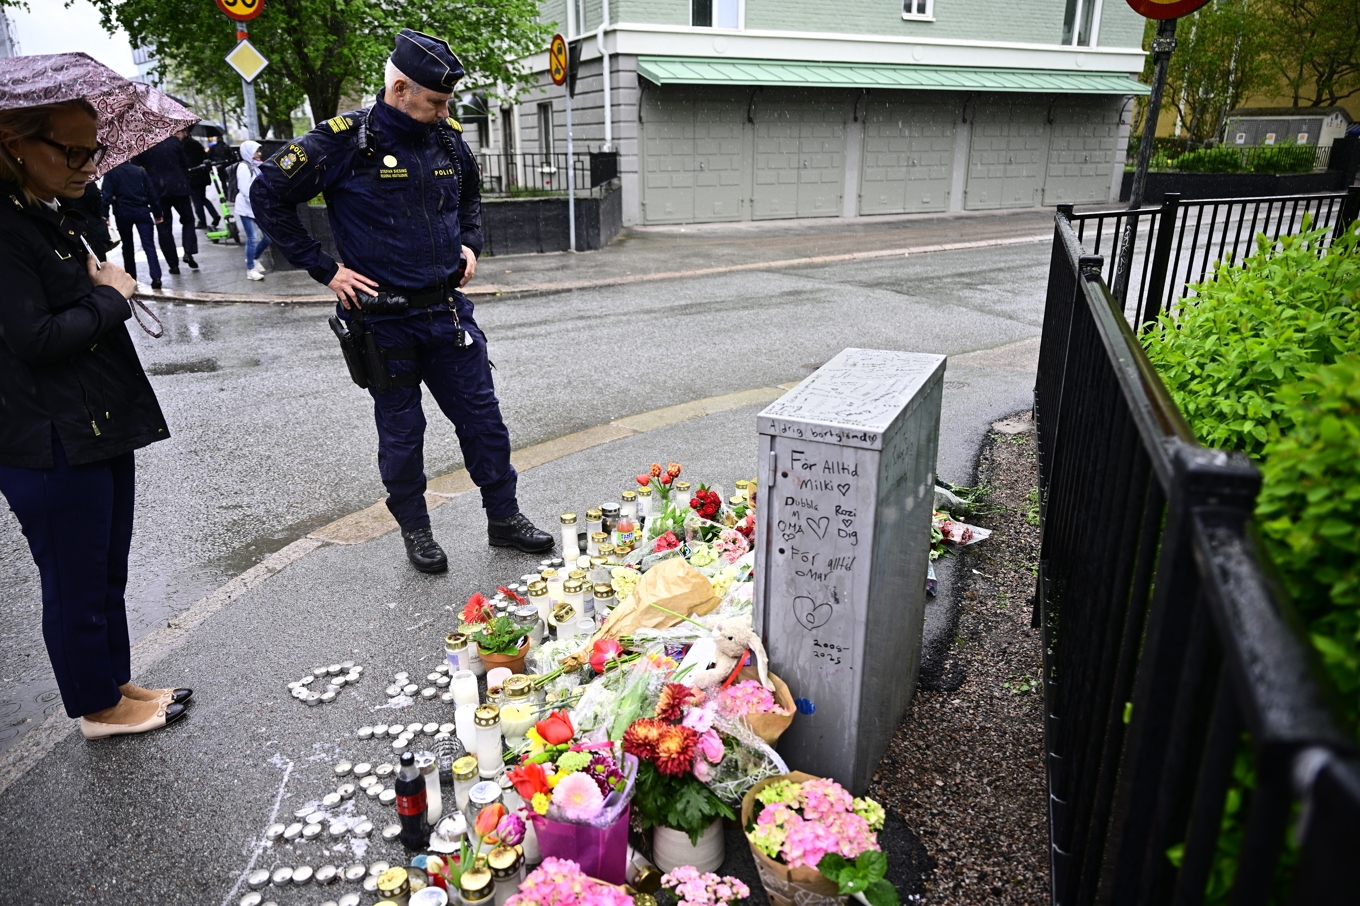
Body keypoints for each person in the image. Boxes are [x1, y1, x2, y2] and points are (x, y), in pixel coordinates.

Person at [252, 29, 554, 572]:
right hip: (382, 321)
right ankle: (417, 531)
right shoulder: (344, 141)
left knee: (484, 422)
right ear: (399, 89)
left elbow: (469, 193)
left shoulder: (446, 139)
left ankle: (504, 519)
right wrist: (325, 270)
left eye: (446, 103)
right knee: (402, 434)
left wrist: (470, 241)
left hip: (445, 312)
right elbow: (268, 194)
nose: (443, 112)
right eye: (435, 102)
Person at [0, 98, 191, 739]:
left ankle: (115, 684)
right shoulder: (6, 228)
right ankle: (98, 709)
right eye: (72, 151)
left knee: (107, 567)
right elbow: (36, 338)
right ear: (14, 143)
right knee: (74, 579)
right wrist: (111, 296)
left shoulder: (50, 215)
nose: (88, 165)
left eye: (94, 151)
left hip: (95, 421)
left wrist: (81, 221)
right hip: (47, 435)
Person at [133, 131, 198, 273]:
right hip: (179, 187)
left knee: (163, 227)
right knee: (188, 220)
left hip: (157, 191)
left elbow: (136, 167)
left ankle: (173, 264)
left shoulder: (142, 143)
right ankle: (188, 250)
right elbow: (185, 163)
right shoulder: (173, 141)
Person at [101, 158, 164, 288]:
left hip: (123, 212)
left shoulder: (111, 172)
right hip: (142, 211)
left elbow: (106, 195)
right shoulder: (140, 171)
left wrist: (105, 215)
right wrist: (157, 213)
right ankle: (156, 276)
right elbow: (152, 193)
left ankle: (131, 277)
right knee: (149, 245)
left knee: (127, 246)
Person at [233, 139, 271, 280]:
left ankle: (254, 258)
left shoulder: (256, 166)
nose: (260, 153)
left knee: (268, 237)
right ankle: (250, 269)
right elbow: (245, 189)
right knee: (252, 238)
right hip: (246, 208)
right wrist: (258, 202)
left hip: (256, 208)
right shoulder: (244, 167)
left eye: (260, 150)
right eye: (256, 151)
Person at [182, 130, 218, 231]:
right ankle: (215, 215)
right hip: (202, 175)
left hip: (193, 176)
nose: (177, 135)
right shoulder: (196, 143)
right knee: (202, 198)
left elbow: (186, 162)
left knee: (197, 200)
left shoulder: (185, 145)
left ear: (185, 133)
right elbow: (204, 157)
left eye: (179, 133)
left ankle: (202, 221)